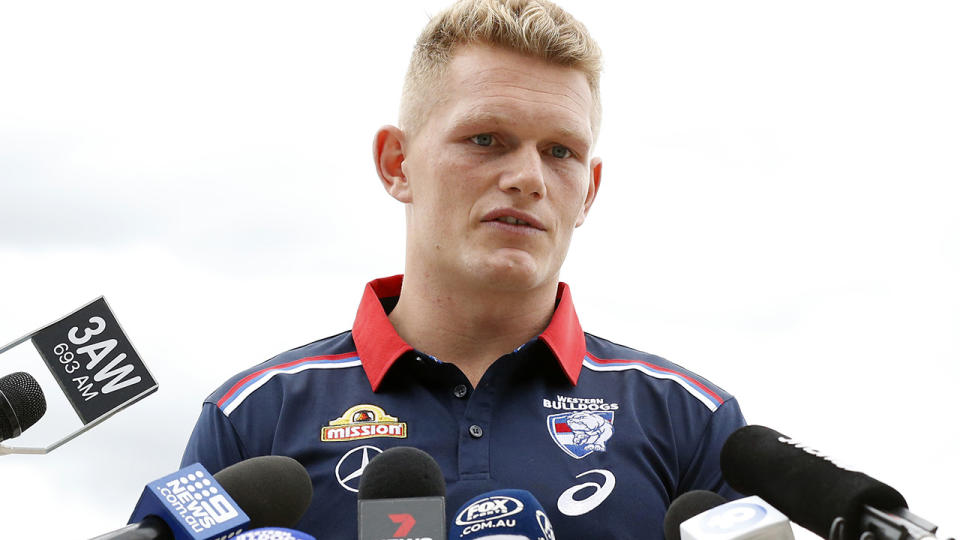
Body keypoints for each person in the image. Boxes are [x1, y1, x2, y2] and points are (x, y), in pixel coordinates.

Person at [181, 1, 746, 537]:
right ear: (396, 164)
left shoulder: (692, 420)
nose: (528, 178)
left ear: (589, 192)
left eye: (560, 152)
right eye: (485, 139)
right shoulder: (252, 417)